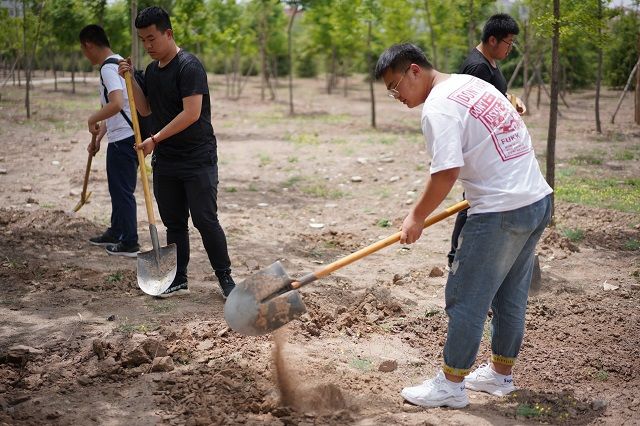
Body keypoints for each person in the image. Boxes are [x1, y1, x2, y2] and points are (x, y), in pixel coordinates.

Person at [374, 43, 552, 408]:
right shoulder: (472, 85)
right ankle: (500, 375)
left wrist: (416, 216)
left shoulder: (438, 108)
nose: (396, 97)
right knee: (509, 295)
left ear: (414, 71)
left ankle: (451, 384)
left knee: (467, 297)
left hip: (501, 211)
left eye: (395, 87)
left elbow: (446, 171)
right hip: (535, 199)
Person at [118, 6, 235, 299]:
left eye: (152, 38)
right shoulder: (153, 72)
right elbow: (145, 109)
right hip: (167, 161)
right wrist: (130, 78)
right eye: (143, 40)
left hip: (198, 158)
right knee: (174, 223)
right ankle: (179, 278)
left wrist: (154, 138)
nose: (148, 45)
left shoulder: (189, 66)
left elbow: (191, 113)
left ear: (168, 33)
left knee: (205, 220)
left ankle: (226, 278)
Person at [448, 13, 521, 269]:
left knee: (478, 199)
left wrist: (511, 101)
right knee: (473, 200)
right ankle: (456, 255)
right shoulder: (477, 67)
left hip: (493, 147)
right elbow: (473, 111)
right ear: (492, 39)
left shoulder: (490, 61)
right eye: (508, 42)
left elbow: (494, 96)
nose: (511, 48)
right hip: (482, 148)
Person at [79, 24, 139, 258]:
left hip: (124, 140)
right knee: (118, 188)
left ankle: (130, 242)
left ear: (89, 45)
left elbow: (114, 103)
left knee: (122, 190)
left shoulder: (107, 68)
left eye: (84, 51)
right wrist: (100, 136)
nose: (86, 55)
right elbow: (120, 106)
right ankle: (116, 232)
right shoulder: (116, 63)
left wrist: (91, 119)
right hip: (121, 136)